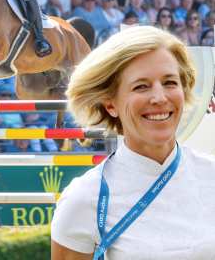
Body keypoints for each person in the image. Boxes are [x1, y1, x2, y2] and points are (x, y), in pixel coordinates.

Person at [51, 26, 215, 259]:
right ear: (111, 105)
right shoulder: (85, 197)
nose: (160, 98)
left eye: (169, 82)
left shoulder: (211, 174)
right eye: (141, 86)